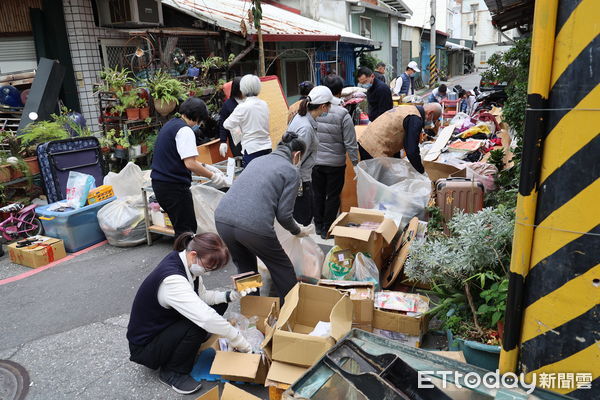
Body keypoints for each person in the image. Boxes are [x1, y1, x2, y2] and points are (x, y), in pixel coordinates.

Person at [127, 232, 254, 395]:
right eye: (208, 267)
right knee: (197, 325)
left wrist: (231, 295)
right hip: (145, 347)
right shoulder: (173, 280)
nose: (208, 272)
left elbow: (203, 297)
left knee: (218, 307)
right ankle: (172, 372)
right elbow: (205, 317)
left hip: (163, 327)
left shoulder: (185, 263)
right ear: (194, 255)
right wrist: (238, 339)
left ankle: (183, 346)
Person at [215, 134, 313, 302]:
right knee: (282, 269)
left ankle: (253, 310)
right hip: (253, 227)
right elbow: (284, 215)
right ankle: (289, 314)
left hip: (222, 219)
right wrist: (298, 231)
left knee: (246, 269)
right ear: (296, 155)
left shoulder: (257, 160)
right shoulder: (291, 171)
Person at [151, 98, 228, 237]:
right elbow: (190, 164)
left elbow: (185, 158)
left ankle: (184, 256)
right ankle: (185, 257)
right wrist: (213, 177)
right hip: (173, 188)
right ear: (198, 117)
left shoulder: (171, 124)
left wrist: (206, 167)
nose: (201, 124)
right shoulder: (185, 131)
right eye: (202, 120)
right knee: (186, 232)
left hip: (161, 185)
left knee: (181, 229)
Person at [312, 74, 359, 239]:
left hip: (315, 163)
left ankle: (317, 226)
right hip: (335, 164)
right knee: (332, 196)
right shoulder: (342, 114)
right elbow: (350, 143)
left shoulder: (312, 110)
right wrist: (356, 165)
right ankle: (327, 229)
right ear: (339, 92)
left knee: (318, 193)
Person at [287, 85, 341, 226]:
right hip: (300, 182)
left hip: (298, 180)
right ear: (323, 107)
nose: (329, 110)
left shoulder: (300, 117)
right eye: (329, 106)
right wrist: (297, 190)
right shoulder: (305, 128)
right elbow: (296, 162)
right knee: (302, 221)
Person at [357, 103, 442, 173]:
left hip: (366, 141)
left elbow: (400, 137)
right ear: (430, 114)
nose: (432, 123)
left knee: (376, 179)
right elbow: (411, 150)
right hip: (374, 149)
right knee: (377, 184)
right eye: (433, 120)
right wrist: (421, 171)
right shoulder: (415, 118)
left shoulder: (409, 108)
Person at [223, 74, 271, 167]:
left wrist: (239, 127)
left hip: (251, 149)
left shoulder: (242, 107)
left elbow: (226, 124)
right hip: (267, 146)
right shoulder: (264, 104)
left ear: (243, 88)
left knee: (253, 178)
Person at [218, 77, 243, 158]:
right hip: (236, 138)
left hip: (250, 136)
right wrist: (223, 141)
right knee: (240, 160)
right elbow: (223, 123)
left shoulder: (250, 101)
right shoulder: (228, 105)